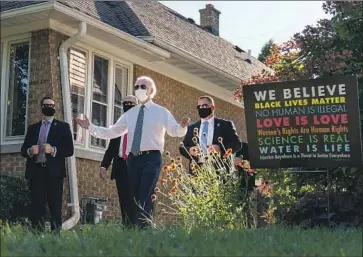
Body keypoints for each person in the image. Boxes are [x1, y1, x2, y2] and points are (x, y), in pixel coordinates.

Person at [76, 76, 190, 228]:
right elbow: (112, 132)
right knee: (134, 197)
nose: (139, 90)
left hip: (152, 158)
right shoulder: (130, 114)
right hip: (133, 160)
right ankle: (137, 230)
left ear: (151, 91)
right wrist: (90, 127)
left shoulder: (161, 112)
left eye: (143, 87)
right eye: (137, 87)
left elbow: (174, 130)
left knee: (145, 195)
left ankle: (145, 230)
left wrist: (182, 126)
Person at [21, 96, 74, 233]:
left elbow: (69, 150)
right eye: (46, 105)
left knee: (55, 207)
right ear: (41, 108)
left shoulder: (63, 127)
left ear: (55, 108)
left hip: (54, 174)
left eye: (52, 105)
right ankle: (36, 237)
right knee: (37, 207)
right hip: (36, 172)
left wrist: (53, 150)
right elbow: (23, 150)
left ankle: (55, 239)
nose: (49, 107)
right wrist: (30, 151)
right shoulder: (33, 128)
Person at [99, 95, 138, 227]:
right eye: (125, 103)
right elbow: (111, 148)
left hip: (135, 166)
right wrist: (104, 166)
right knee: (124, 199)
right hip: (120, 166)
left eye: (131, 103)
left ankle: (137, 227)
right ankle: (126, 227)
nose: (128, 105)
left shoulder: (142, 125)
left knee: (135, 199)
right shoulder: (119, 125)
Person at [179, 95, 242, 174]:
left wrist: (220, 148)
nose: (201, 108)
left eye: (204, 105)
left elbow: (237, 144)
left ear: (213, 108)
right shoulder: (192, 128)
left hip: (219, 169)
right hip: (197, 171)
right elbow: (182, 148)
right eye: (199, 106)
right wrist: (190, 150)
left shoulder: (225, 125)